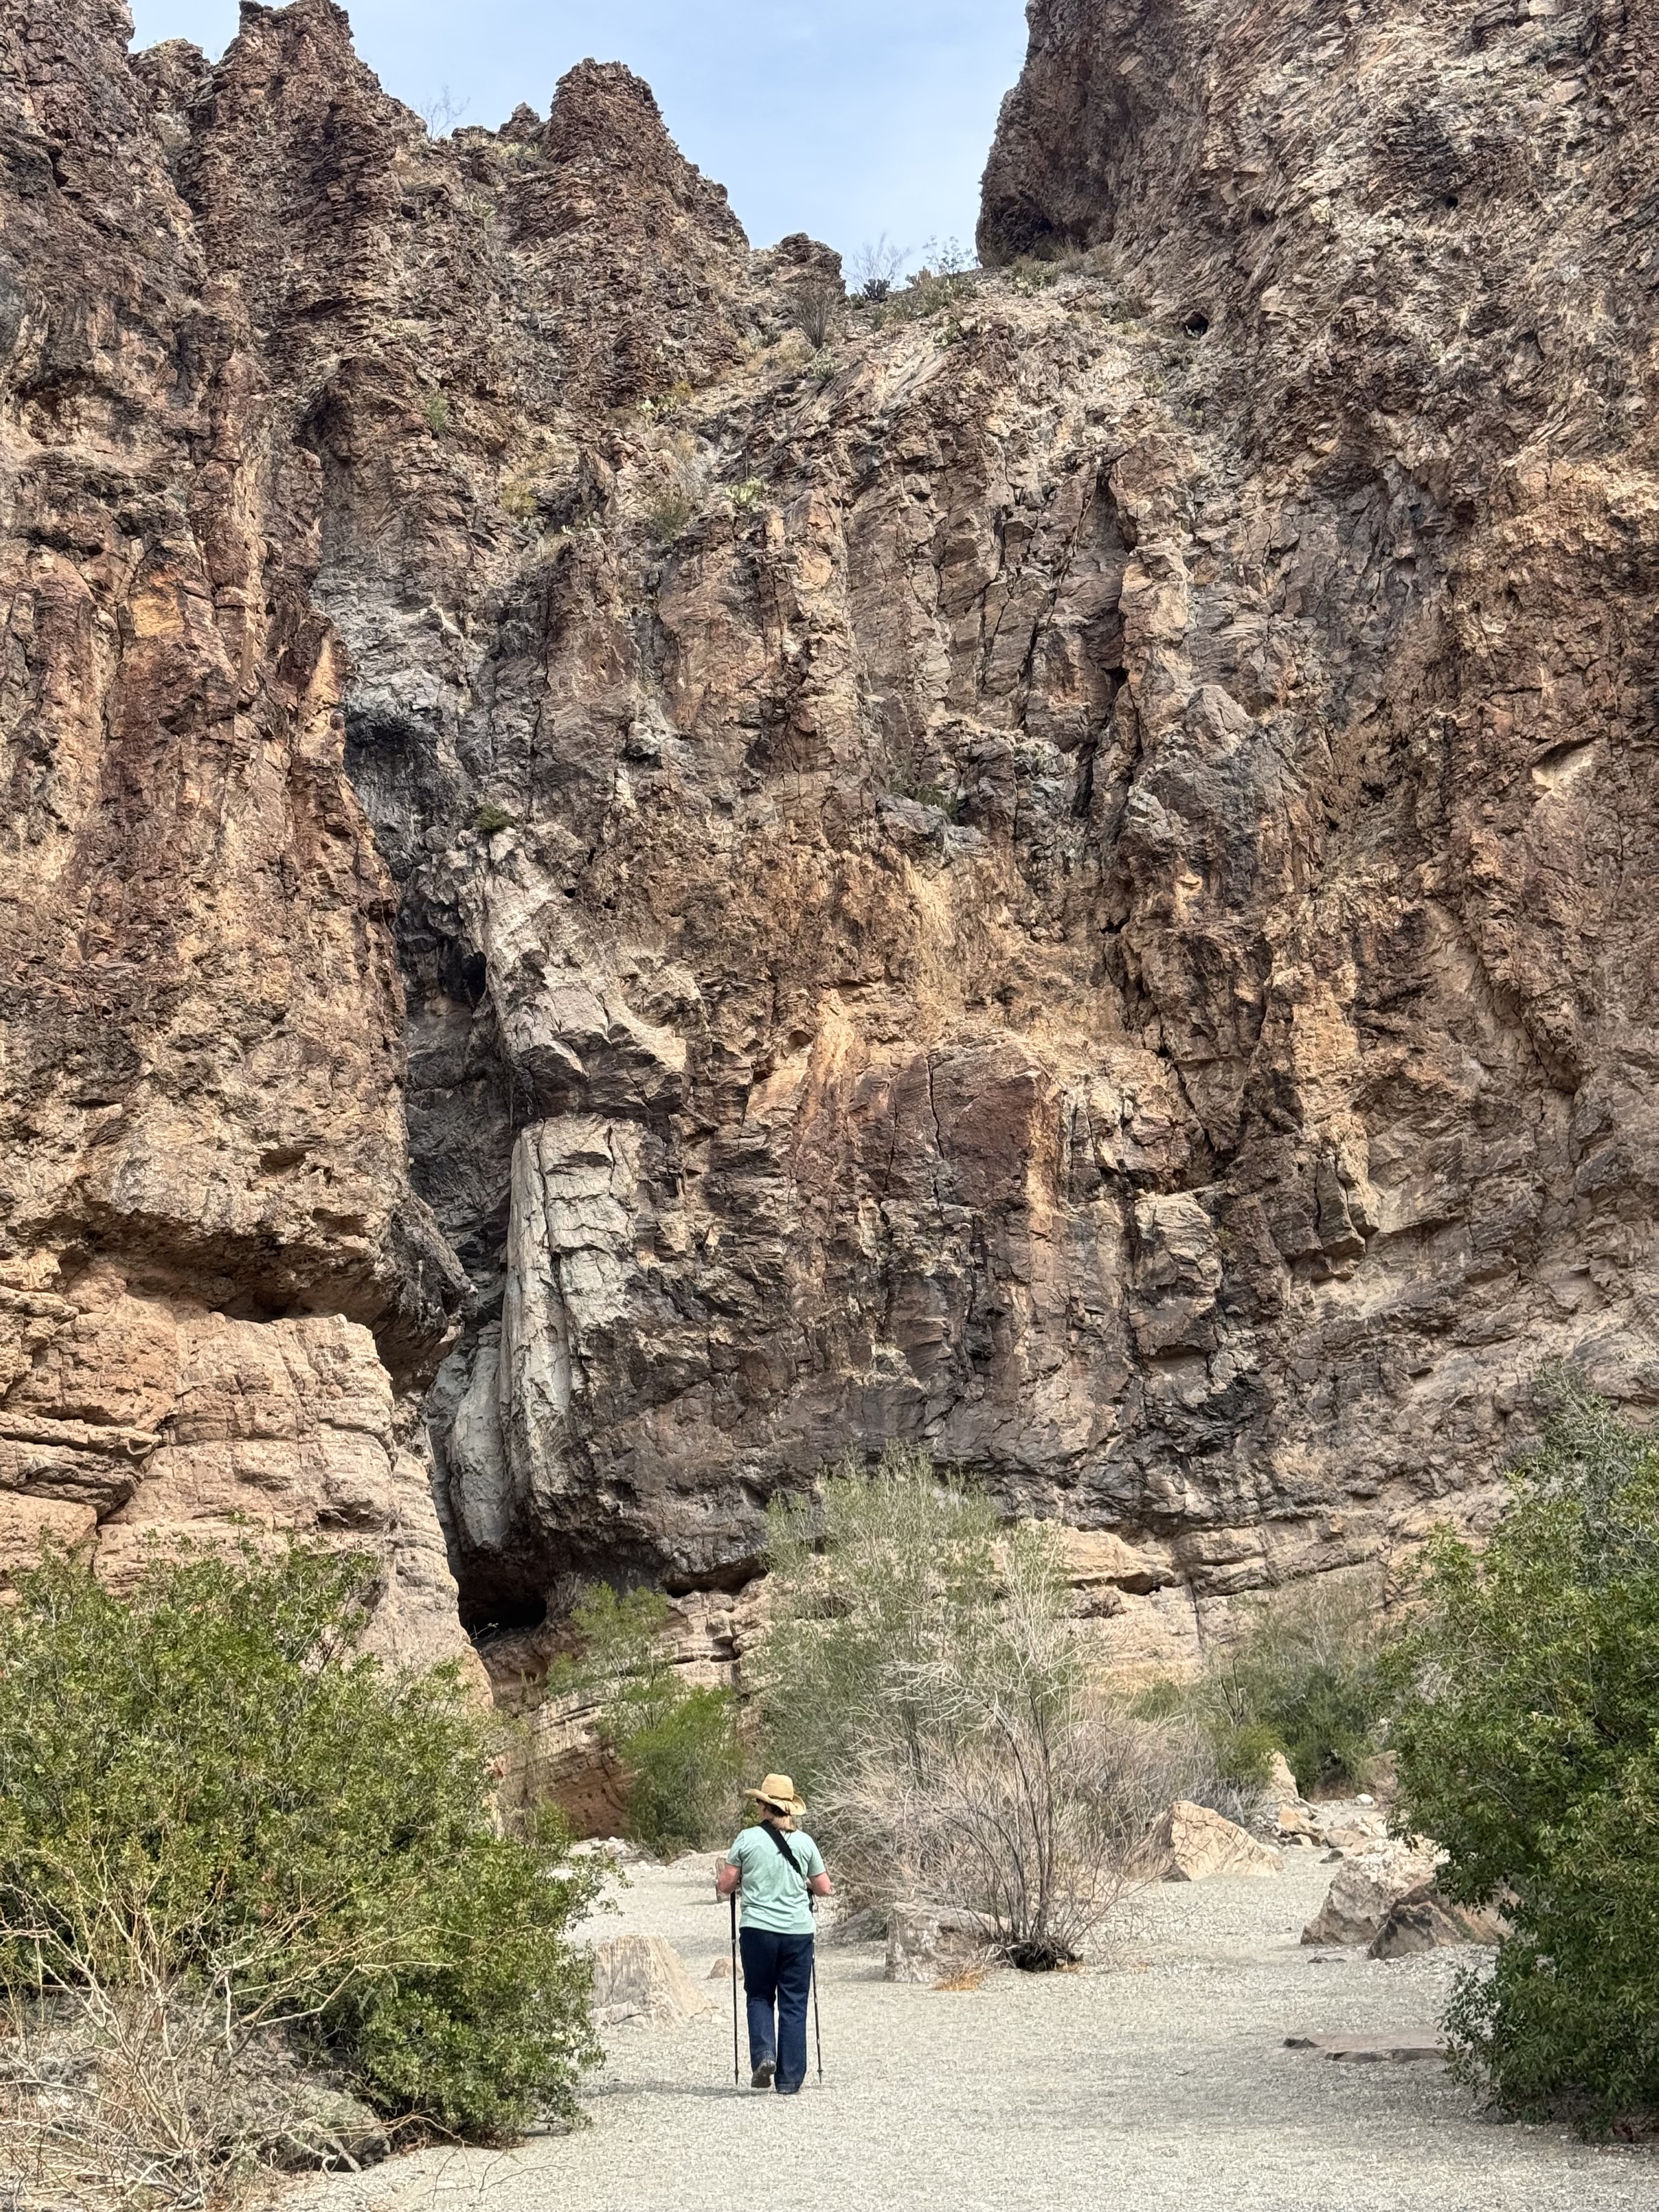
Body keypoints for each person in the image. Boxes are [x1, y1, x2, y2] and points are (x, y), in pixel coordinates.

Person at [715, 1772, 831, 2094]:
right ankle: (790, 2079)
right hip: (797, 1932)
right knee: (794, 2002)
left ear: (764, 1806)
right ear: (790, 1808)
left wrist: (737, 1882)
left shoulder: (747, 1839)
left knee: (759, 1995)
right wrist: (802, 1883)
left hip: (757, 1930)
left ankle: (764, 2055)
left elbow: (726, 1885)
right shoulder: (806, 1843)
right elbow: (825, 1887)